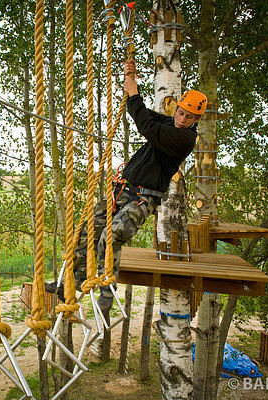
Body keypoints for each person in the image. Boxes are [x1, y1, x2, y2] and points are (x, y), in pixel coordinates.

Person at [46, 59, 207, 312]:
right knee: (87, 232)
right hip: (122, 190)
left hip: (143, 198)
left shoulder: (184, 138)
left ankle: (107, 288)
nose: (181, 119)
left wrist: (133, 92)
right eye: (180, 113)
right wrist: (131, 85)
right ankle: (70, 284)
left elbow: (146, 126)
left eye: (188, 117)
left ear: (196, 119)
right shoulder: (170, 123)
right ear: (177, 109)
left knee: (113, 235)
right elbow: (142, 113)